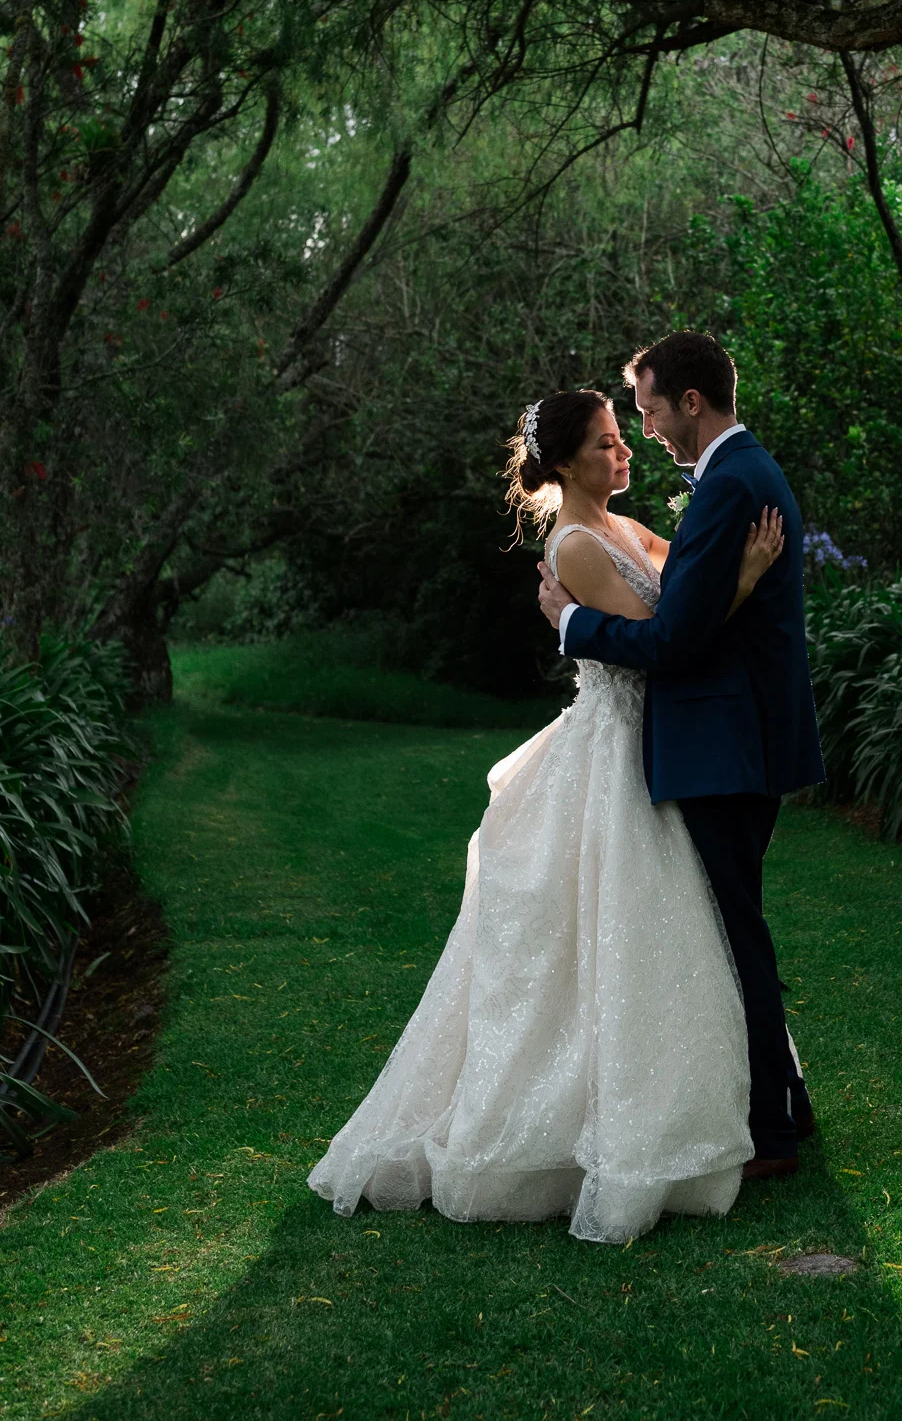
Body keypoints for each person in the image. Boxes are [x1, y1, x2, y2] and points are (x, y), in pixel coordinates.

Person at [307, 387, 783, 1243]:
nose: (625, 451)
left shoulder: (623, 529)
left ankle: (730, 1104)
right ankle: (589, 1120)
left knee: (660, 930)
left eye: (623, 438)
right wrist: (742, 580)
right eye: (606, 443)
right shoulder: (576, 545)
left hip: (647, 745)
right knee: (608, 931)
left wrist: (727, 566)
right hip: (613, 754)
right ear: (563, 463)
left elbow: (685, 589)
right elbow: (672, 643)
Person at [538, 330, 826, 1179]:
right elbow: (690, 614)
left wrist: (569, 623)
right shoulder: (739, 478)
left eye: (649, 411)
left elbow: (669, 639)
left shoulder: (729, 485)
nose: (644, 432)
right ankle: (780, 1106)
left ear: (689, 402)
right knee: (728, 929)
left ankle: (770, 1128)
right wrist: (733, 585)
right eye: (618, 430)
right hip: (725, 738)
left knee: (733, 934)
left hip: (722, 742)